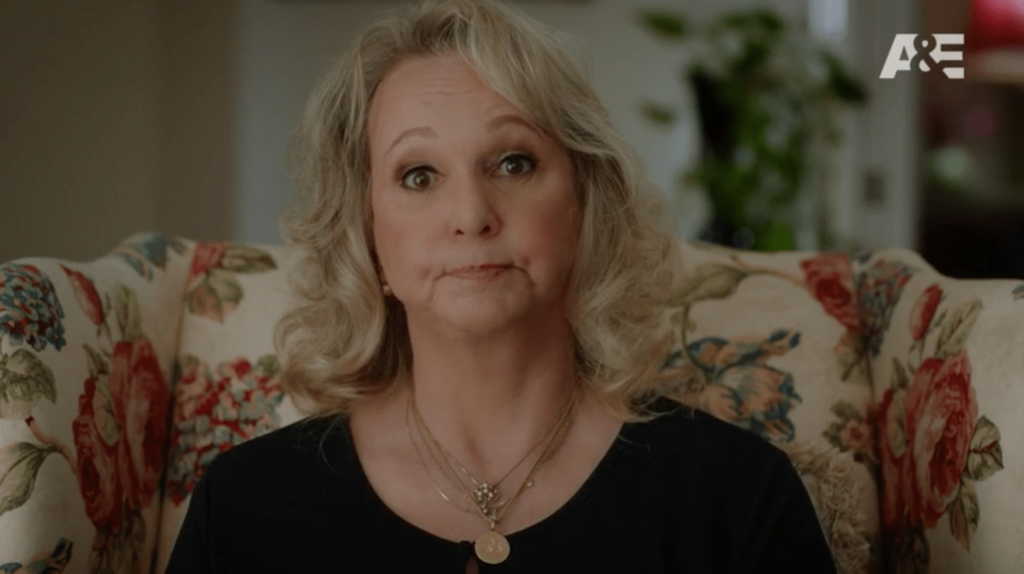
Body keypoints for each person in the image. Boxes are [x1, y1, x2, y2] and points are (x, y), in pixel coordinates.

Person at [166, 0, 836, 572]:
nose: (471, 215)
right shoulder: (243, 505)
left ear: (583, 203)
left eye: (513, 163)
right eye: (419, 175)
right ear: (365, 234)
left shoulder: (737, 494)